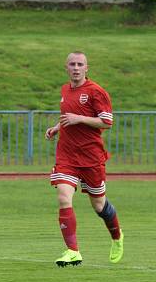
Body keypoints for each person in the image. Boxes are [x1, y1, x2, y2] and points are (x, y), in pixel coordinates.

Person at [46, 51, 123, 267]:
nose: (76, 67)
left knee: (99, 205)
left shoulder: (96, 92)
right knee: (63, 197)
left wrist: (78, 119)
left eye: (80, 64)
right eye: (72, 64)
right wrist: (56, 127)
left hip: (91, 157)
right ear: (66, 67)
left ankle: (117, 237)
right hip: (67, 155)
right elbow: (68, 117)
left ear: (86, 68)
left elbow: (107, 122)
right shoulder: (65, 90)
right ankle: (73, 251)